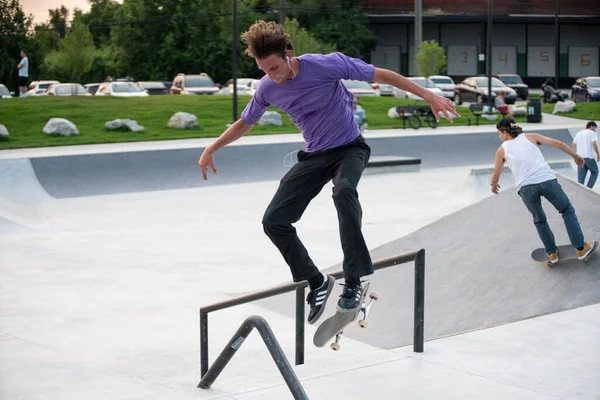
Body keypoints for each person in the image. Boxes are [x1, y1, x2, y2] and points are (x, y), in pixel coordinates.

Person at [197, 20, 459, 324]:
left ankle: (354, 280)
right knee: (274, 220)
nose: (271, 75)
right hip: (314, 157)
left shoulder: (326, 65)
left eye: (274, 68)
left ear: (288, 55)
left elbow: (382, 75)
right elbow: (245, 122)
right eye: (264, 70)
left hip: (350, 148)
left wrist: (427, 95)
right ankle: (316, 280)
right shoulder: (267, 88)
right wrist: (211, 148)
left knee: (344, 191)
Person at [490, 118, 595, 265]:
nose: (499, 137)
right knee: (566, 210)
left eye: (499, 133)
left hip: (526, 189)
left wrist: (493, 185)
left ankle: (551, 253)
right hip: (547, 182)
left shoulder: (502, 150)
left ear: (505, 132)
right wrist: (575, 156)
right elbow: (558, 144)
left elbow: (496, 173)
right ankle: (580, 248)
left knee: (540, 220)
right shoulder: (532, 137)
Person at [572, 121, 599, 189]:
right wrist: (598, 154)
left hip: (580, 157)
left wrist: (575, 157)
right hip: (588, 157)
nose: (595, 130)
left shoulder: (579, 133)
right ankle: (589, 188)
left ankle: (581, 191)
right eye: (594, 128)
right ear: (591, 126)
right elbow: (594, 144)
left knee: (581, 177)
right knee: (595, 172)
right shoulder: (592, 133)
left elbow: (573, 145)